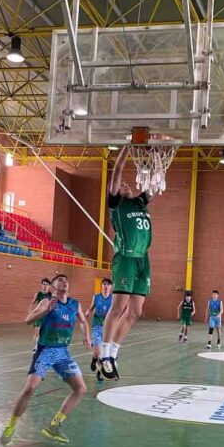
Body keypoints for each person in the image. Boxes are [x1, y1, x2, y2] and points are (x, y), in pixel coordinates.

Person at [0, 274, 90, 446]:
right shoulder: (46, 302)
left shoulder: (74, 304)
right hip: (45, 350)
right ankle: (11, 426)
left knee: (80, 389)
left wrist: (86, 335)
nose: (64, 280)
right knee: (29, 389)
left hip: (63, 352)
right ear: (53, 288)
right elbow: (28, 320)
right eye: (60, 280)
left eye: (66, 279)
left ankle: (53, 427)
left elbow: (84, 321)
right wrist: (45, 310)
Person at [98, 147, 154, 380]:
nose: (126, 185)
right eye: (123, 186)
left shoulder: (140, 203)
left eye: (128, 185)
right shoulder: (117, 205)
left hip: (143, 258)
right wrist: (126, 148)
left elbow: (152, 188)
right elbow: (118, 169)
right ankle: (104, 354)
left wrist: (154, 163)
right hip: (126, 258)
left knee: (135, 312)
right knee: (119, 306)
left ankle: (114, 352)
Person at [85, 279, 113, 382]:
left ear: (111, 287)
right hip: (97, 326)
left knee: (103, 353)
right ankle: (94, 358)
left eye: (108, 284)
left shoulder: (113, 299)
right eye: (104, 284)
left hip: (108, 328)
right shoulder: (96, 297)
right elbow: (91, 308)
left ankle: (99, 372)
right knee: (97, 352)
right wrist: (88, 312)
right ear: (101, 286)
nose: (106, 286)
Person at [30, 278, 52, 351]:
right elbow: (32, 303)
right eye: (44, 284)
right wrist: (30, 311)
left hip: (46, 316)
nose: (45, 286)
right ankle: (35, 347)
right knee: (37, 332)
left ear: (49, 286)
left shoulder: (50, 295)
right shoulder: (38, 294)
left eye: (47, 285)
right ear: (41, 285)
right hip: (38, 316)